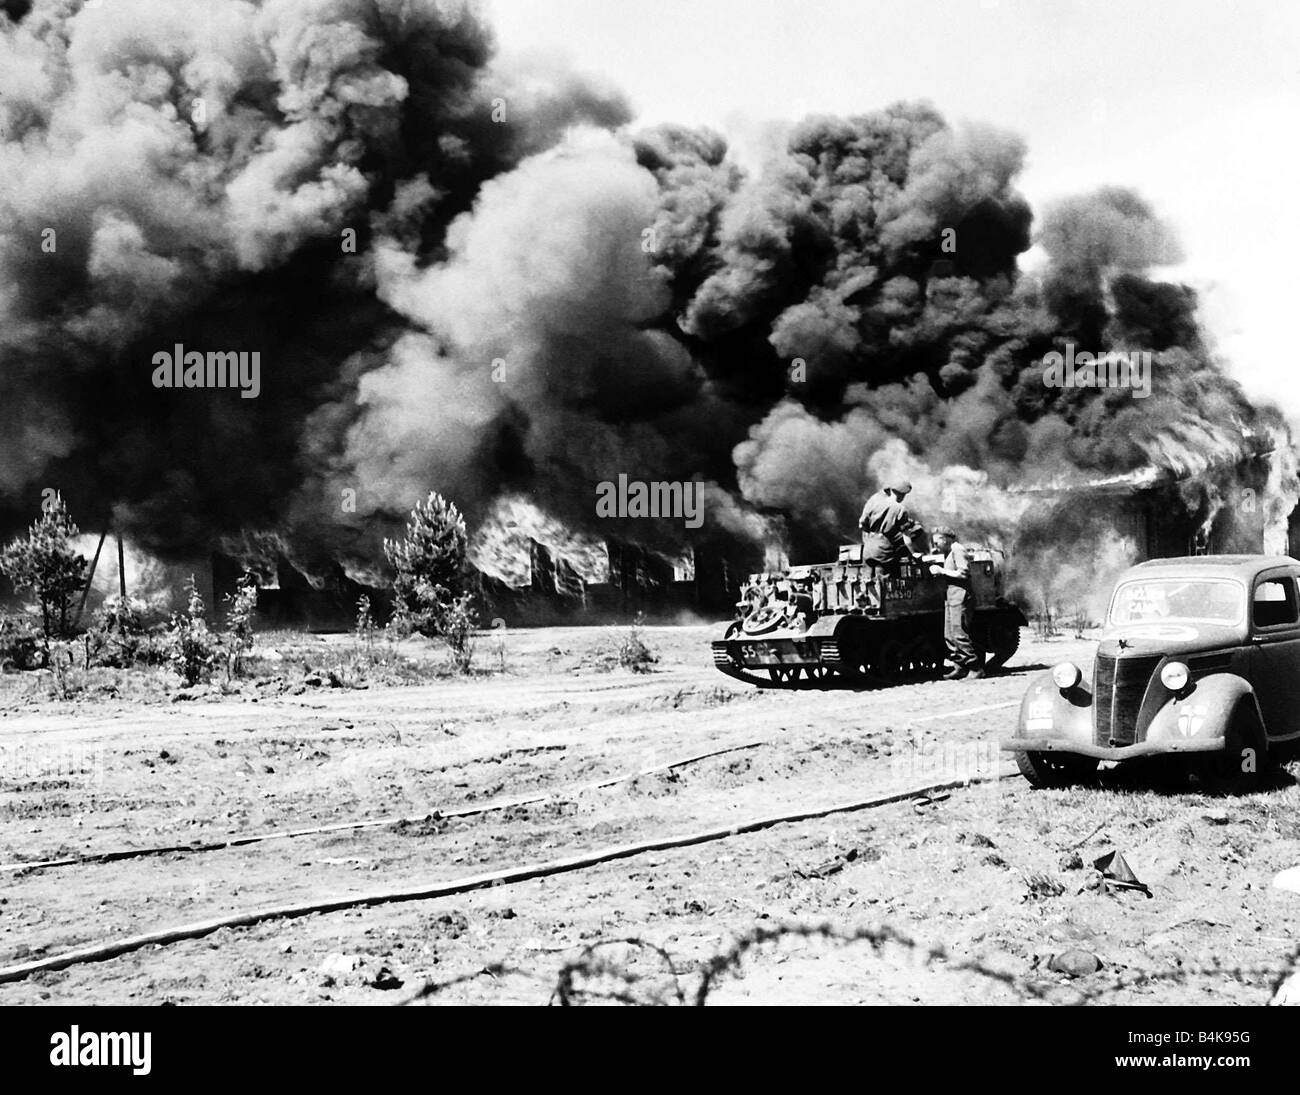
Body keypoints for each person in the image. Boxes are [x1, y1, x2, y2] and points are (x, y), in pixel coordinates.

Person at [929, 526, 984, 679]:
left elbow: (963, 572)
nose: (935, 546)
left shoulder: (958, 550)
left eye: (936, 542)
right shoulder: (949, 552)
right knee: (949, 635)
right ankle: (960, 667)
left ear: (945, 539)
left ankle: (975, 668)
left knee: (959, 634)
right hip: (951, 597)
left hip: (961, 597)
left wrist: (942, 571)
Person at [858, 479, 925, 570]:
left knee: (868, 580)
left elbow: (862, 525)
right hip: (885, 552)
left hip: (868, 550)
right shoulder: (900, 509)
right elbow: (906, 538)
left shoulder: (874, 502)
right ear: (903, 495)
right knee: (886, 581)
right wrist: (914, 553)